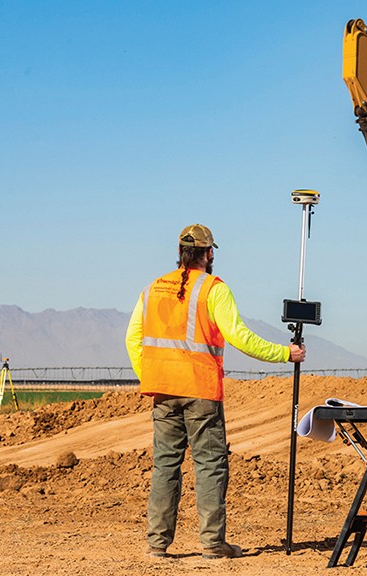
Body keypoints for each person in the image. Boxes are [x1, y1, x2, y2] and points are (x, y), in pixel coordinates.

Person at [125, 223, 306, 561]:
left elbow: (132, 339)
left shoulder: (151, 289)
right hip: (201, 392)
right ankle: (212, 544)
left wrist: (151, 375)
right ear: (208, 254)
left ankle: (157, 545)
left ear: (180, 253)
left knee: (165, 465)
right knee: (209, 464)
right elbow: (239, 336)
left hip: (162, 392)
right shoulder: (213, 289)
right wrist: (285, 353)